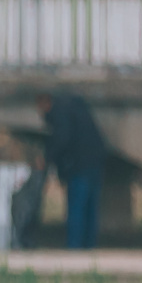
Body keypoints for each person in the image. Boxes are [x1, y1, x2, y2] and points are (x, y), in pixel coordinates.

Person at [35, 89, 112, 250]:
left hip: (80, 165)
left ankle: (75, 247)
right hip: (95, 160)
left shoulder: (59, 112)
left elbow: (62, 138)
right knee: (91, 208)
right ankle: (89, 246)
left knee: (77, 207)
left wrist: (47, 158)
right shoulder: (75, 106)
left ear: (45, 103)